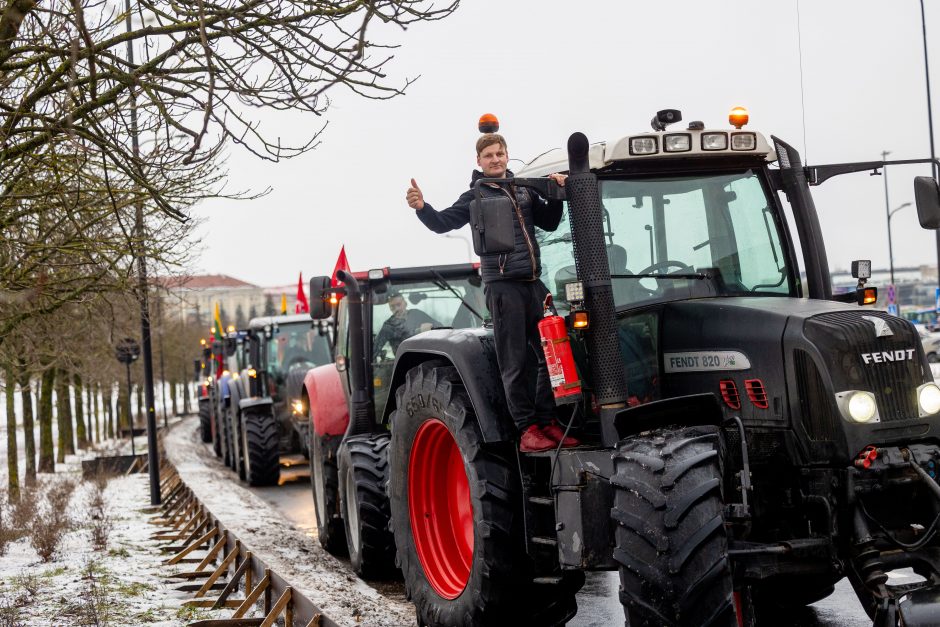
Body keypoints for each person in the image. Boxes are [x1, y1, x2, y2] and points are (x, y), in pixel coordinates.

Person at [406, 132, 580, 452]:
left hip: (533, 285)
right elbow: (442, 223)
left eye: (500, 153)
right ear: (479, 162)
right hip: (503, 288)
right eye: (489, 156)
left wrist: (556, 193)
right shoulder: (474, 197)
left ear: (507, 155)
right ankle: (527, 430)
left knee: (550, 354)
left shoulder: (524, 189)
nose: (496, 159)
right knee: (515, 362)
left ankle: (547, 422)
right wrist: (422, 208)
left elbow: (551, 223)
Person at [373, 292, 439, 359]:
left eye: (399, 304)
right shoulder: (388, 326)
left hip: (427, 357)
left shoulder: (417, 314)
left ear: (405, 303)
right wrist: (419, 331)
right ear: (389, 308)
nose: (396, 309)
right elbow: (374, 351)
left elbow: (440, 326)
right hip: (404, 363)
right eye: (392, 307)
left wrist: (431, 327)